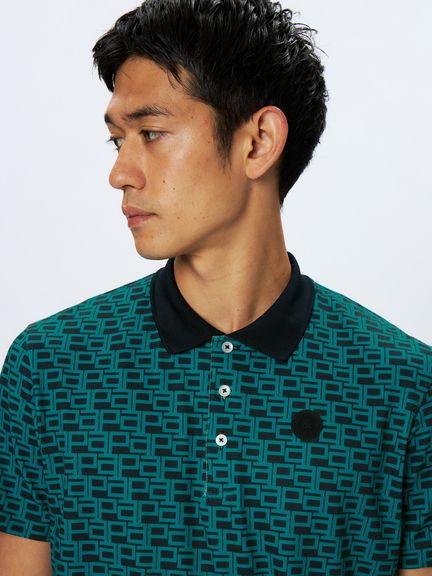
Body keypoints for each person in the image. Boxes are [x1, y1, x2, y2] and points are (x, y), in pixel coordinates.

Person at [0, 0, 431, 574]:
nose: (120, 173)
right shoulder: (48, 368)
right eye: (118, 140)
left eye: (152, 133)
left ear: (258, 142)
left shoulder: (403, 385)